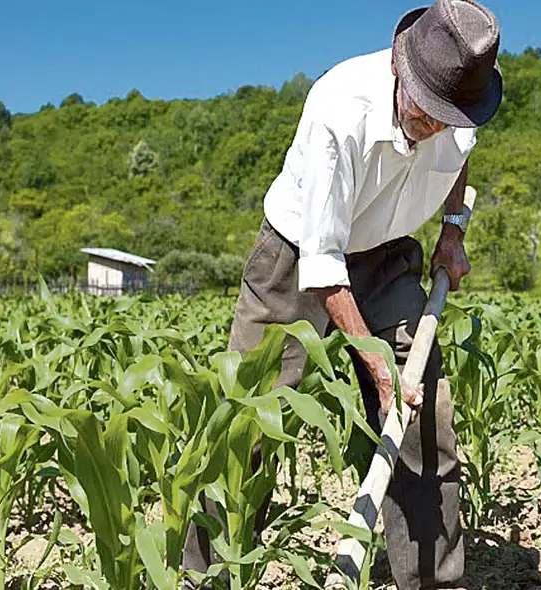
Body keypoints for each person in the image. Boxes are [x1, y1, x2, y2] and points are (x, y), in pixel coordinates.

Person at [182, 2, 503, 589]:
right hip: (298, 252)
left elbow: (459, 160)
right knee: (249, 419)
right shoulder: (339, 108)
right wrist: (375, 366)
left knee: (424, 415)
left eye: (446, 116)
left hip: (388, 252)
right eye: (425, 110)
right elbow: (323, 264)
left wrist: (452, 230)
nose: (434, 124)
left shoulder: (463, 101)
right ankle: (207, 577)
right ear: (400, 70)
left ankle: (433, 581)